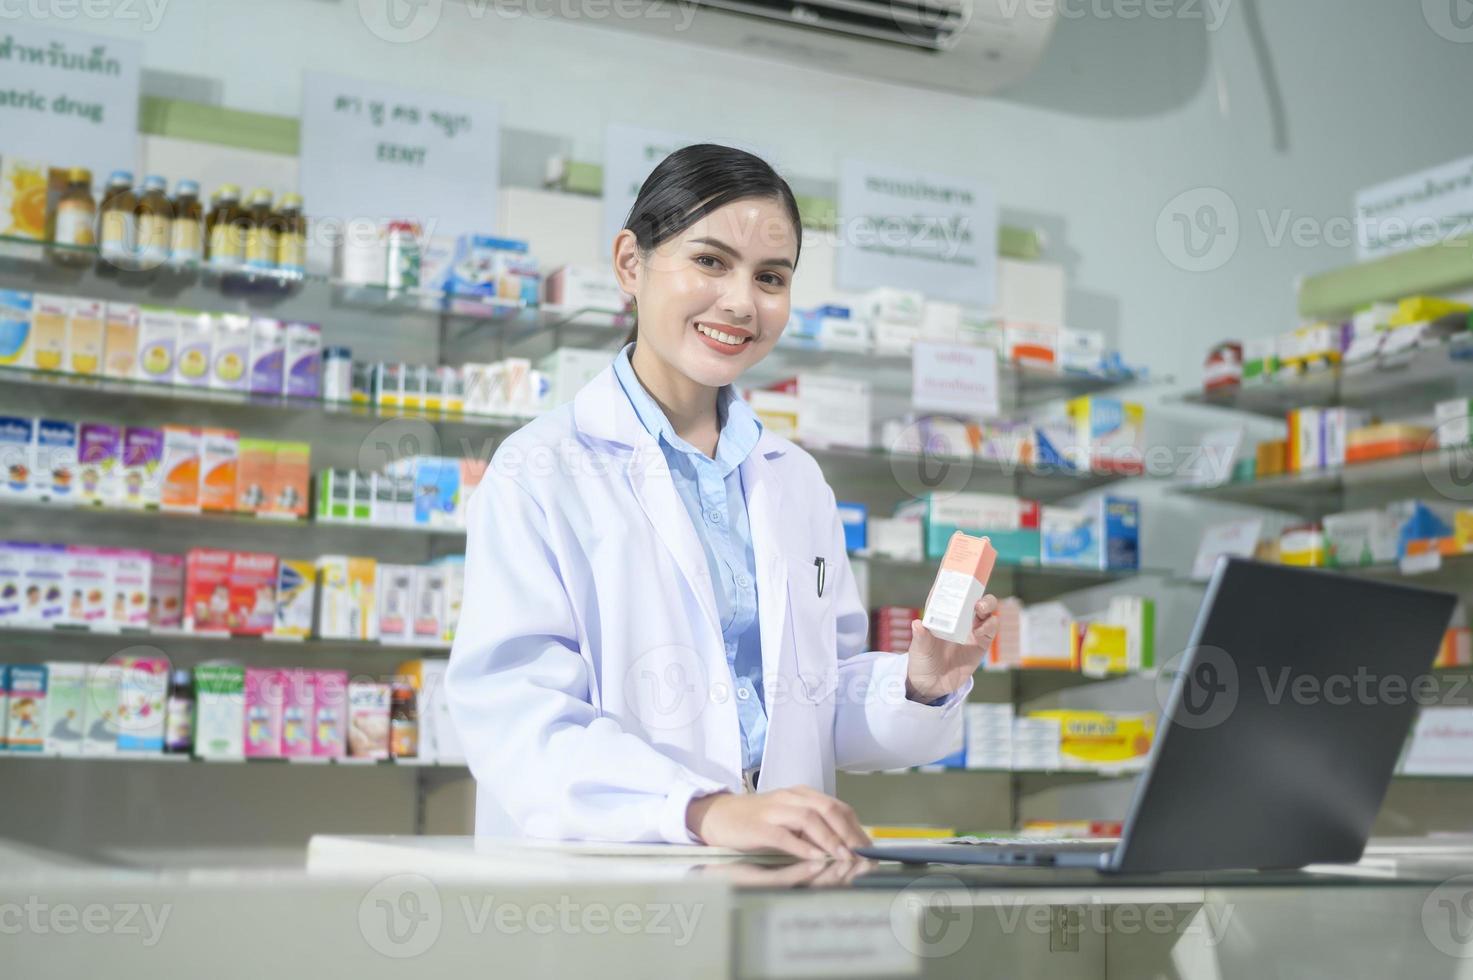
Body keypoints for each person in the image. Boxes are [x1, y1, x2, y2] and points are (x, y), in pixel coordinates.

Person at [446, 143, 1000, 860]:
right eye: (710, 261)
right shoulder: (541, 468)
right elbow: (517, 718)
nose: (741, 301)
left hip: (774, 874)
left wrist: (921, 683)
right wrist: (700, 810)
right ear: (629, 264)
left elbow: (816, 706)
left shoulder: (794, 480)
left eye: (770, 277)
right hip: (603, 882)